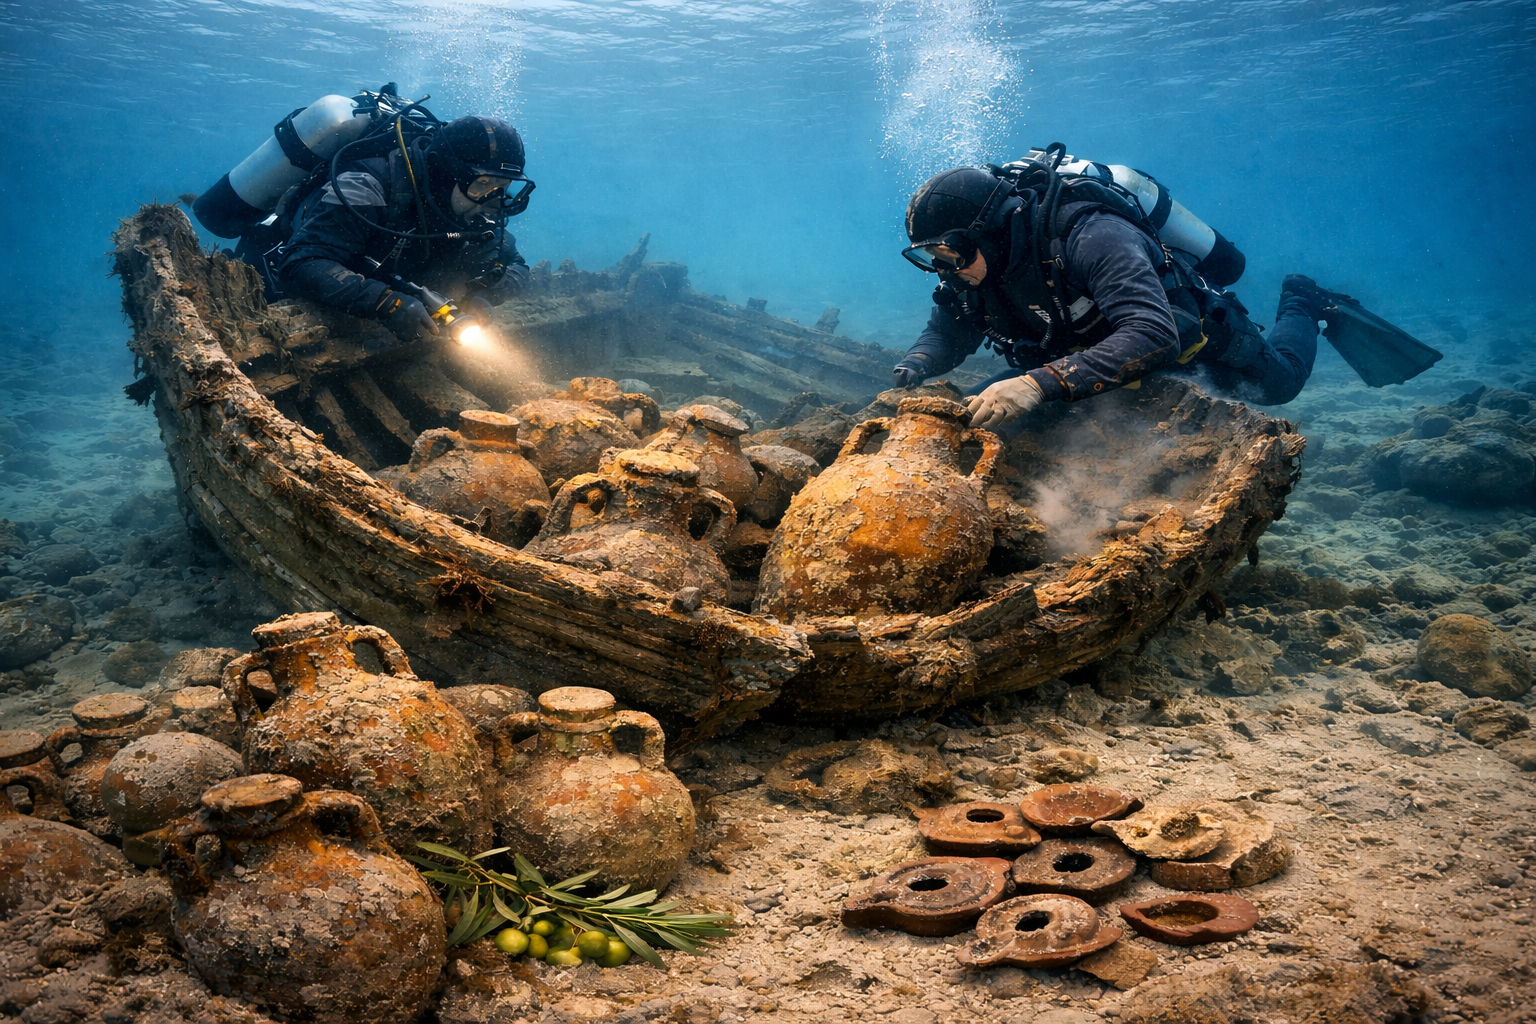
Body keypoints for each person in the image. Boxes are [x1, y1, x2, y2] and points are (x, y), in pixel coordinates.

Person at [892, 154, 1332, 432]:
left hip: (1190, 344)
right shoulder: (972, 269)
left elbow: (1154, 333)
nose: (945, 268)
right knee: (978, 422)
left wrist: (1037, 384)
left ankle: (1302, 300)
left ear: (993, 232)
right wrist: (915, 365)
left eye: (952, 252)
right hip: (1087, 363)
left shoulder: (1093, 236)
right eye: (932, 256)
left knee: (1282, 383)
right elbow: (948, 330)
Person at [276, 114, 534, 345]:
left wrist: (484, 294)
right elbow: (302, 262)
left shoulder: (476, 207)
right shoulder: (366, 188)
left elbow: (516, 266)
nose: (494, 200)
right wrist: (383, 302)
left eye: (503, 187)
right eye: (483, 184)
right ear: (444, 173)